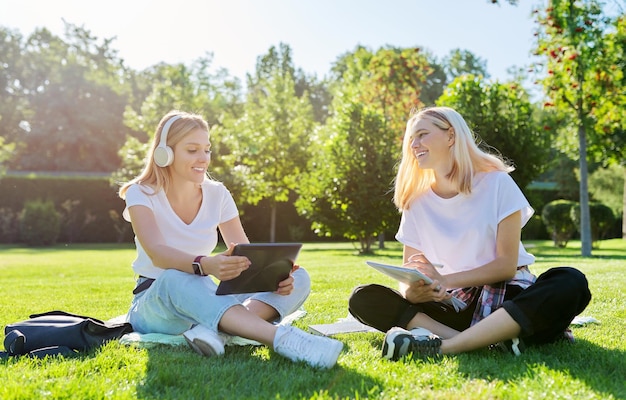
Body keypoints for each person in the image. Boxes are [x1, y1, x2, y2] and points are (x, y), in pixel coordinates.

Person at [348, 106, 591, 360]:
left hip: (509, 300)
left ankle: (447, 346)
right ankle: (487, 341)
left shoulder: (496, 183)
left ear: (451, 136)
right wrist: (413, 292)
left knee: (570, 281)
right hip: (454, 305)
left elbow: (506, 266)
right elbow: (410, 270)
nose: (414, 144)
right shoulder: (416, 202)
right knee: (363, 297)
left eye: (422, 135)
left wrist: (446, 280)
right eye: (411, 138)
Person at [118, 110, 342, 369]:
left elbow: (244, 256)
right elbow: (157, 252)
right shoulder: (141, 193)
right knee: (175, 277)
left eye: (207, 149)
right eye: (192, 150)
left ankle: (213, 333)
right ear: (164, 153)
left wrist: (272, 275)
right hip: (157, 302)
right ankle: (282, 339)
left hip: (204, 293)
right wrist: (205, 264)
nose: (203, 158)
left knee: (299, 278)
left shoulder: (218, 193)